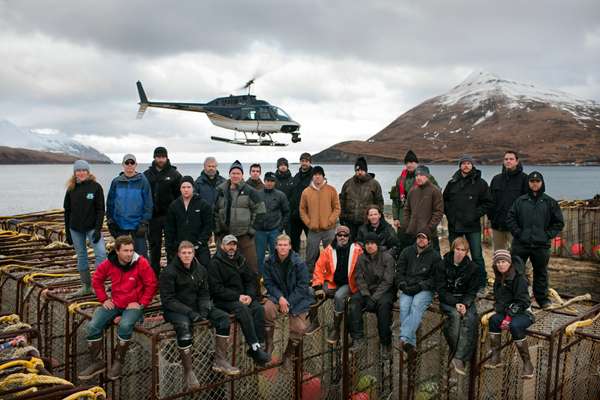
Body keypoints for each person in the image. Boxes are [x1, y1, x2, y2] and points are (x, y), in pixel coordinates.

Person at [160, 241, 239, 390]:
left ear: (193, 254)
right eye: (184, 253)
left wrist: (203, 311)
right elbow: (168, 300)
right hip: (175, 310)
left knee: (223, 318)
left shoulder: (200, 269)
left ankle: (220, 360)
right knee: (184, 327)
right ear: (178, 254)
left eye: (189, 253)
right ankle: (189, 371)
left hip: (196, 307)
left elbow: (204, 293)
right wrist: (190, 313)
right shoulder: (169, 272)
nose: (187, 256)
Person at [78, 235, 157, 381]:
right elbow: (97, 280)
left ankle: (118, 362)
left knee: (125, 325)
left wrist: (141, 304)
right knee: (93, 326)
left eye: (131, 250)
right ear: (117, 251)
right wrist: (103, 299)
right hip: (115, 303)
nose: (129, 254)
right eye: (125, 250)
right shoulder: (109, 263)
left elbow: (151, 284)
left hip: (133, 305)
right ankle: (97, 362)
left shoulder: (141, 263)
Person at [208, 235, 270, 366]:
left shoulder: (240, 260)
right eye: (228, 244)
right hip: (223, 299)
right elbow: (216, 288)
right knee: (243, 310)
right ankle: (254, 346)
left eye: (234, 245)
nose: (231, 247)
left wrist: (249, 295)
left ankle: (258, 346)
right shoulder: (215, 263)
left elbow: (250, 280)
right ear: (222, 246)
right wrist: (238, 297)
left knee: (258, 308)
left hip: (242, 297)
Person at [506, 171, 564, 309]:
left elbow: (558, 223)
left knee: (541, 272)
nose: (534, 184)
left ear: (542, 183)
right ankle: (516, 297)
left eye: (537, 181)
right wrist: (519, 233)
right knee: (517, 271)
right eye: (532, 181)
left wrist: (547, 235)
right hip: (521, 244)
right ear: (528, 183)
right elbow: (510, 218)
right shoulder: (521, 201)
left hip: (541, 245)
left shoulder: (549, 202)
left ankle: (542, 299)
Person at [263, 234, 314, 368]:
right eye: (280, 245)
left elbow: (303, 287)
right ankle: (269, 344)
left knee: (300, 328)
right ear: (275, 247)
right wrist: (280, 298)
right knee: (267, 309)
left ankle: (288, 354)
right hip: (278, 295)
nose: (282, 248)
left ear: (290, 246)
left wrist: (288, 302)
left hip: (296, 297)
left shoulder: (299, 263)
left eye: (285, 245)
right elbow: (268, 283)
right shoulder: (269, 261)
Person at [443, 155, 493, 290]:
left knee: (477, 255)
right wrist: (451, 216)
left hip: (472, 226)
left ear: (472, 166)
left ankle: (481, 282)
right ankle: (453, 281)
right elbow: (445, 201)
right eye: (463, 163)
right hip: (455, 226)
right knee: (455, 255)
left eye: (468, 163)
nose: (466, 166)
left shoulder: (480, 183)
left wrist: (475, 214)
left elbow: (488, 203)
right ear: (460, 166)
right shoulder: (452, 182)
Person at [485, 250, 534, 379]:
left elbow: (523, 302)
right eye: (498, 262)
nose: (501, 265)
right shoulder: (499, 278)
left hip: (524, 313)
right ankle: (496, 356)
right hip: (508, 312)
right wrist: (498, 310)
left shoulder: (519, 278)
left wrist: (508, 317)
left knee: (515, 325)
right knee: (494, 320)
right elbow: (500, 300)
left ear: (510, 263)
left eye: (504, 262)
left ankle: (527, 363)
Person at [436, 237, 480, 375]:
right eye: (457, 249)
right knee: (455, 317)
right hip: (448, 299)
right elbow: (441, 290)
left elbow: (472, 291)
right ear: (452, 249)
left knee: (472, 319)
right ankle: (457, 356)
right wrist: (456, 304)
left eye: (463, 250)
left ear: (467, 252)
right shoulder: (442, 264)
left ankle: (459, 358)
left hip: (465, 299)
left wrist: (465, 304)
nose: (460, 253)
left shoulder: (472, 268)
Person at [312, 225, 363, 344]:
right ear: (336, 236)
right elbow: (318, 267)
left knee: (339, 297)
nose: (342, 237)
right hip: (333, 283)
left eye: (345, 235)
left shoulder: (357, 250)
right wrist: (318, 286)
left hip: (349, 283)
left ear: (349, 237)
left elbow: (363, 267)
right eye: (340, 235)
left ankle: (336, 328)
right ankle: (314, 322)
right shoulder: (329, 250)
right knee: (311, 291)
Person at [63, 160, 107, 298]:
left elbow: (101, 209)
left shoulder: (96, 187)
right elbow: (67, 211)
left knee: (101, 254)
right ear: (75, 173)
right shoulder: (71, 188)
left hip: (92, 227)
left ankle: (98, 285)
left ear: (88, 172)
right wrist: (67, 232)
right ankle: (86, 286)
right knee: (82, 256)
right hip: (75, 228)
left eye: (84, 170)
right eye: (78, 170)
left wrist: (98, 229)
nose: (81, 173)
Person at [214, 160, 265, 273]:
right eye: (233, 173)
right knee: (223, 267)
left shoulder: (250, 191)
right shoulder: (221, 190)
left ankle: (254, 289)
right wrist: (217, 230)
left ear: (242, 175)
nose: (235, 175)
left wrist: (251, 230)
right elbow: (215, 212)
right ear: (229, 174)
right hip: (225, 235)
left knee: (251, 266)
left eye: (238, 173)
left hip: (244, 236)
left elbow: (260, 211)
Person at [349, 233, 395, 358]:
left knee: (384, 308)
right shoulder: (361, 258)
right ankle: (358, 338)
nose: (369, 246)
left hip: (383, 291)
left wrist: (374, 298)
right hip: (367, 291)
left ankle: (385, 344)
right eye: (367, 243)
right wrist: (365, 295)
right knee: (353, 303)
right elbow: (359, 278)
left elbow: (388, 281)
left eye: (372, 243)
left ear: (377, 244)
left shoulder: (387, 258)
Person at [396, 231, 440, 355]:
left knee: (416, 305)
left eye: (424, 238)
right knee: (404, 307)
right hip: (408, 287)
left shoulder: (435, 256)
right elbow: (399, 270)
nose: (421, 240)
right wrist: (402, 284)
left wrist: (421, 286)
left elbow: (435, 278)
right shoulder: (407, 251)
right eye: (419, 237)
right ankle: (410, 345)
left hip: (424, 289)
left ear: (429, 241)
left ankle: (404, 338)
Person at [390, 150, 440, 253]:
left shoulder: (428, 178)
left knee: (429, 248)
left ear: (416, 163)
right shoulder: (400, 180)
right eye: (407, 162)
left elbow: (436, 197)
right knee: (404, 248)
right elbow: (395, 200)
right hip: (403, 219)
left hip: (423, 219)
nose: (410, 165)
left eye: (412, 162)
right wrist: (395, 217)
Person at [144, 146, 182, 275]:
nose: (160, 159)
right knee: (154, 247)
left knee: (171, 247)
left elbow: (180, 197)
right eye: (158, 157)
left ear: (166, 157)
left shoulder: (174, 174)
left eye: (163, 157)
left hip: (169, 216)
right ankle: (154, 275)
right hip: (153, 217)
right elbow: (143, 195)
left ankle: (171, 275)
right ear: (154, 157)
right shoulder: (147, 175)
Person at [106, 154, 153, 259]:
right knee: (122, 255)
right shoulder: (116, 182)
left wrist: (144, 222)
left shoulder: (143, 181)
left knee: (141, 256)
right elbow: (110, 203)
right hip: (120, 224)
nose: (129, 165)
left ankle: (142, 275)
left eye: (132, 163)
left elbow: (148, 203)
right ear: (123, 165)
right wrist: (110, 221)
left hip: (137, 225)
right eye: (127, 163)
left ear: (136, 165)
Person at [299, 165, 341, 273]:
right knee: (310, 256)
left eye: (319, 175)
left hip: (329, 229)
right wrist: (309, 223)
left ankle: (332, 275)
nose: (317, 177)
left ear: (323, 176)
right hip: (313, 230)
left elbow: (337, 208)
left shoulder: (331, 190)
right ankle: (309, 277)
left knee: (332, 254)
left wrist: (330, 221)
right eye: (315, 175)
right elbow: (302, 210)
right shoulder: (306, 192)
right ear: (312, 177)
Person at [164, 176, 212, 267]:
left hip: (199, 246)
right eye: (183, 187)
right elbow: (169, 229)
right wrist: (171, 247)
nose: (186, 190)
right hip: (179, 247)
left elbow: (208, 226)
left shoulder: (203, 204)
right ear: (180, 189)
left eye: (188, 187)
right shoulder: (174, 206)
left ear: (193, 188)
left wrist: (200, 242)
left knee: (205, 270)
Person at [488, 151, 529, 251]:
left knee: (518, 253)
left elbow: (528, 202)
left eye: (511, 159)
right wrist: (491, 217)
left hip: (516, 226)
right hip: (498, 225)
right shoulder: (496, 179)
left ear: (517, 161)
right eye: (506, 159)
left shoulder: (525, 179)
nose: (508, 161)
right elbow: (490, 200)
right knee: (499, 254)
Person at [254, 172, 290, 275]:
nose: (269, 183)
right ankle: (260, 277)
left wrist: (280, 228)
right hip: (260, 231)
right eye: (267, 181)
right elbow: (252, 211)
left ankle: (275, 275)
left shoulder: (280, 195)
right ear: (264, 181)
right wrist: (254, 226)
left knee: (275, 255)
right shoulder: (257, 194)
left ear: (275, 182)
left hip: (274, 230)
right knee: (259, 256)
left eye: (272, 181)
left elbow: (286, 212)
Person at [339, 157, 384, 239]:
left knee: (365, 244)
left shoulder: (374, 184)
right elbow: (342, 201)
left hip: (367, 222)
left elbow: (379, 202)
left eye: (362, 170)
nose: (359, 172)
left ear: (366, 170)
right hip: (349, 222)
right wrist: (341, 216)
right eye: (357, 170)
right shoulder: (347, 184)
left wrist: (379, 219)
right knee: (351, 245)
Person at [403, 165, 444, 247]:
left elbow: (438, 212)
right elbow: (407, 209)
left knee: (432, 258)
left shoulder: (435, 191)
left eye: (421, 175)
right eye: (416, 175)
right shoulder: (412, 190)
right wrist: (407, 225)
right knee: (412, 257)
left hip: (429, 234)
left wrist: (429, 228)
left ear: (427, 176)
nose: (418, 177)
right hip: (412, 232)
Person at [289, 153, 313, 252]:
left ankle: (313, 266)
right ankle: (295, 265)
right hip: (295, 216)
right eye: (302, 161)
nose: (304, 163)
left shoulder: (315, 176)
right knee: (294, 244)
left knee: (312, 244)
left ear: (310, 162)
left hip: (309, 216)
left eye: (306, 161)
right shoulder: (296, 176)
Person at [274, 157, 293, 233]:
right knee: (277, 235)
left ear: (287, 166)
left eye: (285, 164)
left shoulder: (292, 179)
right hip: (276, 212)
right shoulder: (273, 179)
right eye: (281, 164)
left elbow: (294, 196)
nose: (283, 166)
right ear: (278, 166)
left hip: (289, 212)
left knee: (290, 235)